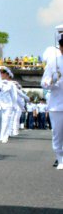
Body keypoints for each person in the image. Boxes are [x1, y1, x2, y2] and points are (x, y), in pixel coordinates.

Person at [40, 26, 63, 169]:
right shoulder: (54, 62)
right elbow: (43, 82)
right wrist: (50, 82)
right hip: (57, 103)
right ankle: (60, 158)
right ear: (60, 47)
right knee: (58, 134)